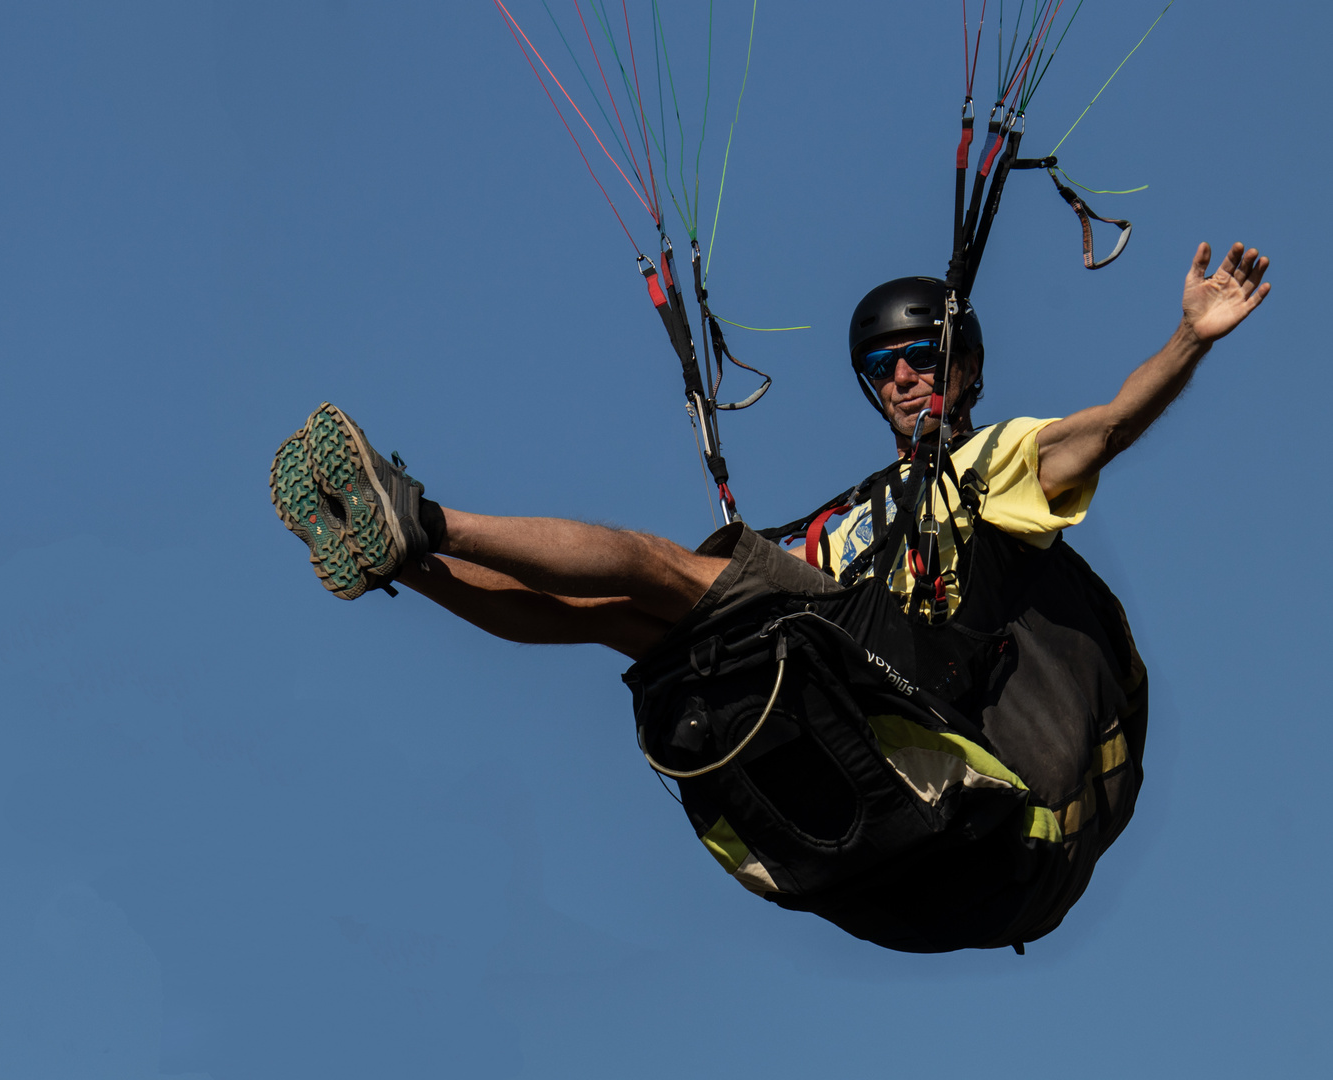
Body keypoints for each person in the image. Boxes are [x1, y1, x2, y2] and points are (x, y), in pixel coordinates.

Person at [270, 241, 1270, 951]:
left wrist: (1190, 341)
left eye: (926, 357)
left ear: (965, 369)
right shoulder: (830, 525)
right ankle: (408, 563)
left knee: (659, 570)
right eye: (885, 367)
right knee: (627, 627)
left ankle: (428, 523)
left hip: (935, 719)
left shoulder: (985, 467)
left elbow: (1106, 430)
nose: (906, 377)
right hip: (857, 722)